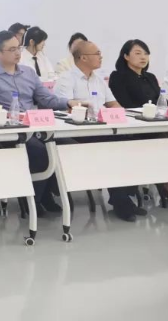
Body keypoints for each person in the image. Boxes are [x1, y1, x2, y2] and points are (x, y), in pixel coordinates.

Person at [0, 31, 81, 213]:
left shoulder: (28, 72)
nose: (17, 53)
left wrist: (68, 102)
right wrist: (0, 111)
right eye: (12, 49)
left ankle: (48, 193)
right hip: (9, 131)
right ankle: (32, 199)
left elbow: (46, 99)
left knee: (67, 146)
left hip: (34, 126)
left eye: (18, 48)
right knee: (40, 151)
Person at [55, 41, 145, 222]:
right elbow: (65, 109)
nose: (101, 56)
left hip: (100, 130)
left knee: (131, 144)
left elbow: (114, 104)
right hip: (77, 133)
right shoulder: (66, 79)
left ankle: (122, 197)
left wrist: (125, 118)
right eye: (97, 53)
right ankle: (121, 202)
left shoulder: (98, 80)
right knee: (110, 149)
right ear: (83, 58)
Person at [109, 39, 161, 109]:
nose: (143, 57)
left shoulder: (151, 77)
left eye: (146, 54)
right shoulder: (117, 76)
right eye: (138, 53)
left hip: (156, 114)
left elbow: (161, 100)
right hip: (132, 115)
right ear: (126, 56)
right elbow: (124, 104)